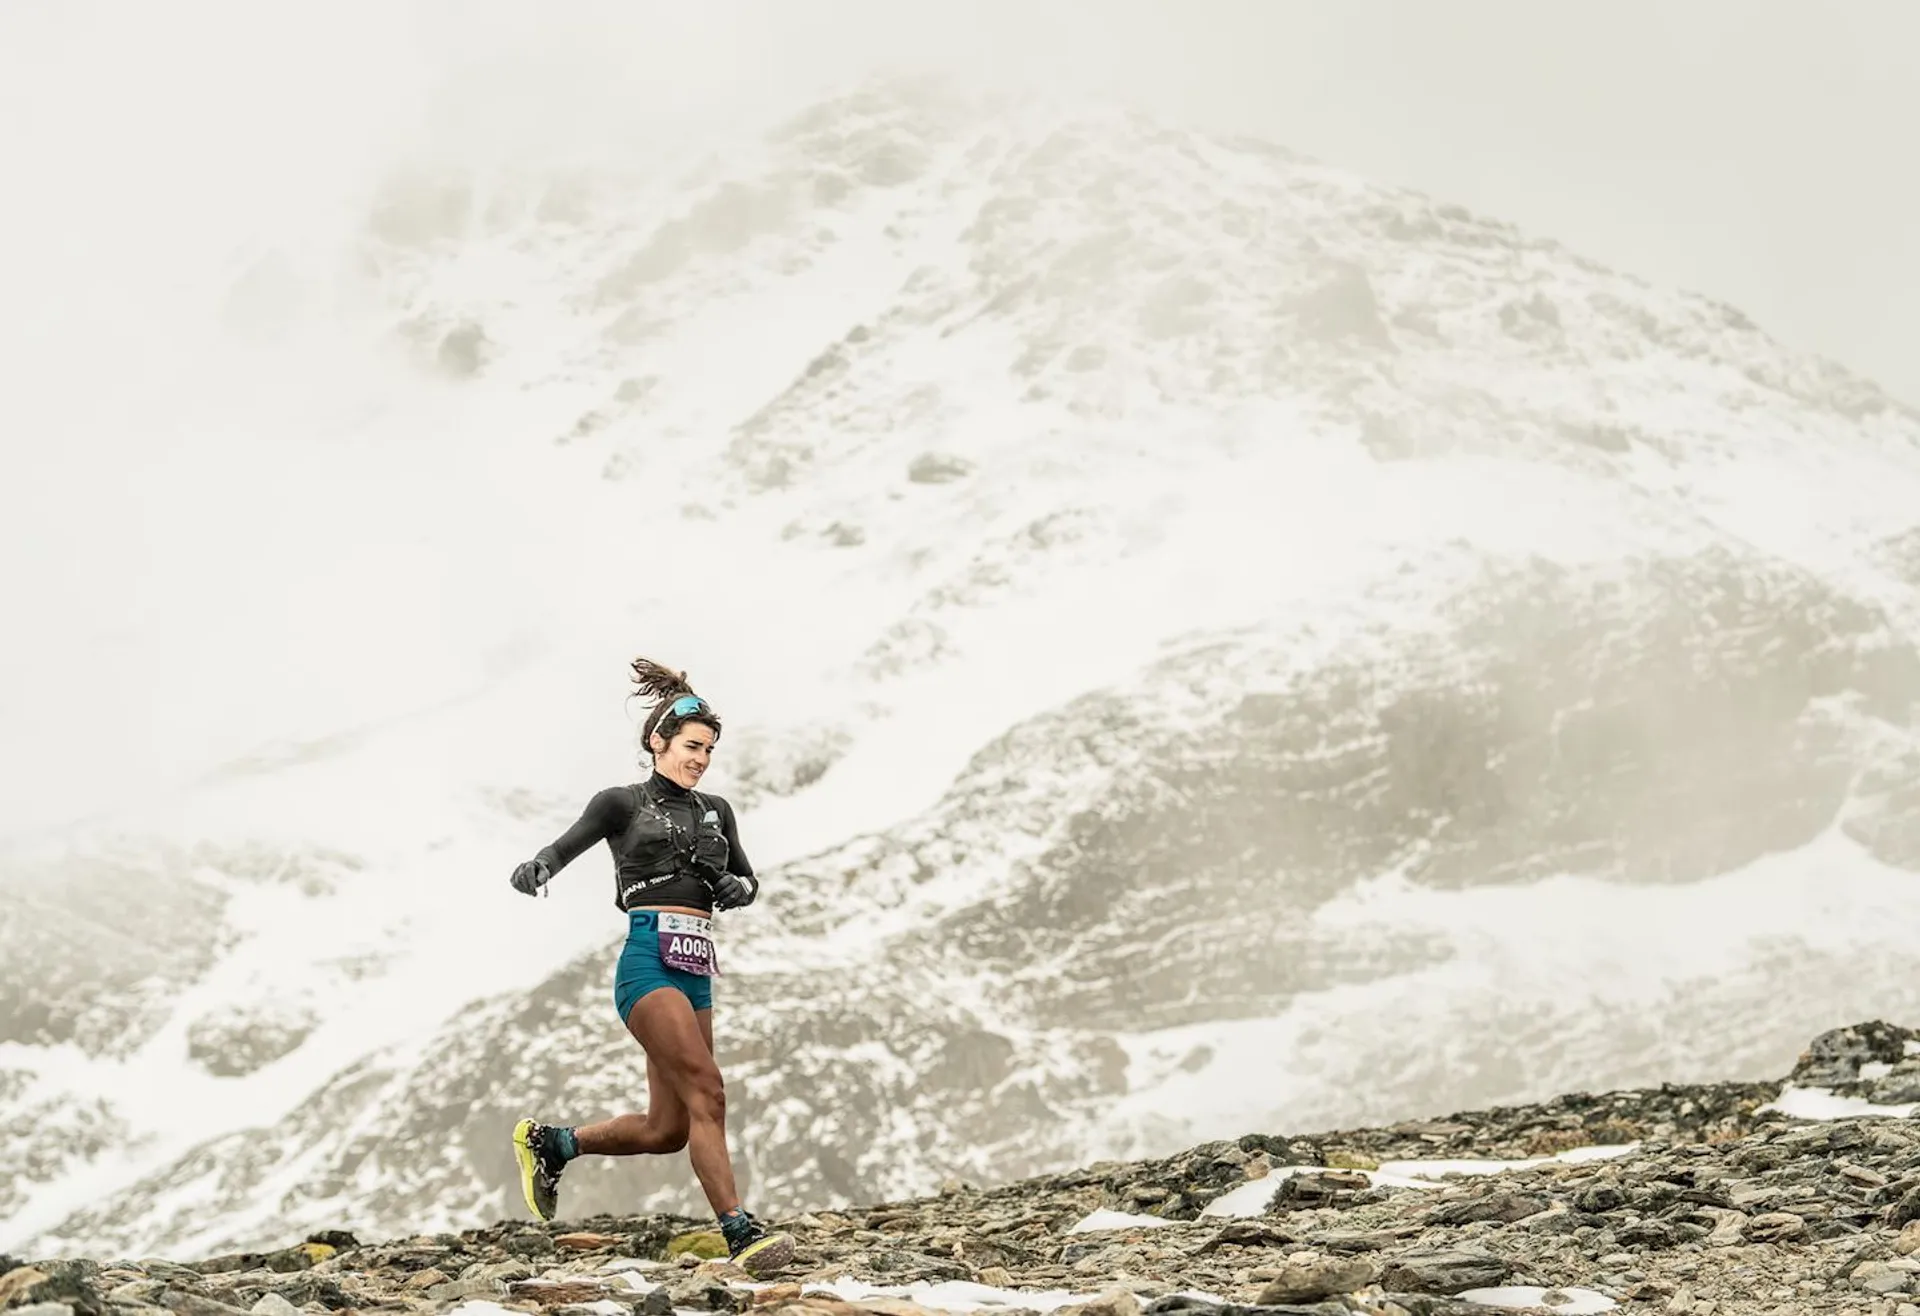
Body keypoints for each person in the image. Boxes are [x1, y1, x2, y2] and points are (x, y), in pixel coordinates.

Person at [505, 658, 794, 1278]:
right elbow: (563, 846)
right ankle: (740, 1232)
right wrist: (538, 868)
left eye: (710, 750)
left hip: (695, 969)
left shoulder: (717, 810)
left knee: (669, 1128)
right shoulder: (620, 803)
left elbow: (747, 880)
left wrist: (735, 888)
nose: (702, 760)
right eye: (692, 747)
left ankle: (553, 1143)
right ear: (656, 742)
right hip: (647, 965)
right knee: (709, 1091)